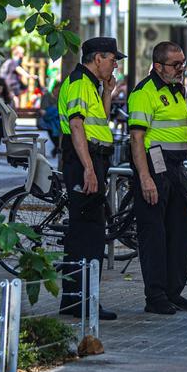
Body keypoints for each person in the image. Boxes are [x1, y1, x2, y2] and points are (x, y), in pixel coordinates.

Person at [127, 42, 187, 314]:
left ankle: (172, 292)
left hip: (176, 166)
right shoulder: (144, 93)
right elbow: (137, 137)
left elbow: (183, 127)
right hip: (154, 166)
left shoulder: (175, 90)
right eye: (176, 64)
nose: (181, 69)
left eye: (183, 63)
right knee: (154, 232)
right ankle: (155, 296)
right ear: (158, 66)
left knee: (181, 230)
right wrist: (145, 178)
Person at [58, 36, 123, 320]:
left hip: (93, 160)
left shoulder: (90, 84)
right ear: (98, 58)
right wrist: (88, 169)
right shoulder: (79, 83)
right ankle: (82, 302)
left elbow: (99, 122)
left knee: (85, 233)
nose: (115, 64)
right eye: (112, 59)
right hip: (85, 162)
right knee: (88, 234)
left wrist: (108, 92)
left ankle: (76, 301)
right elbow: (76, 125)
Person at [36, 81, 62, 155]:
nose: (58, 92)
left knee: (58, 124)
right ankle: (57, 147)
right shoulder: (47, 96)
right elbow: (44, 112)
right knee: (52, 126)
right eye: (58, 90)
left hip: (54, 119)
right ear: (54, 89)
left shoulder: (59, 98)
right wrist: (54, 110)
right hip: (46, 120)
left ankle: (57, 147)